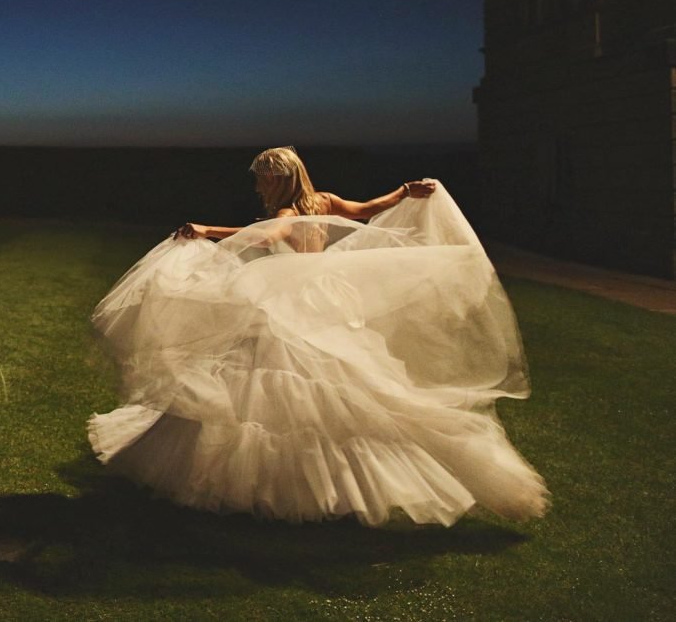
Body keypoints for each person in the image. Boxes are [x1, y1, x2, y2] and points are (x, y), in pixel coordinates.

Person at [88, 146, 549, 527]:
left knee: (270, 384)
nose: (258, 185)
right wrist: (404, 191)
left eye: (264, 178)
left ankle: (281, 485)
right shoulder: (324, 200)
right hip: (325, 299)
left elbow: (272, 236)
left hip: (288, 302)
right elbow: (369, 211)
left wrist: (209, 231)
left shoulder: (289, 211)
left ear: (280, 180)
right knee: (337, 384)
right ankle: (335, 483)